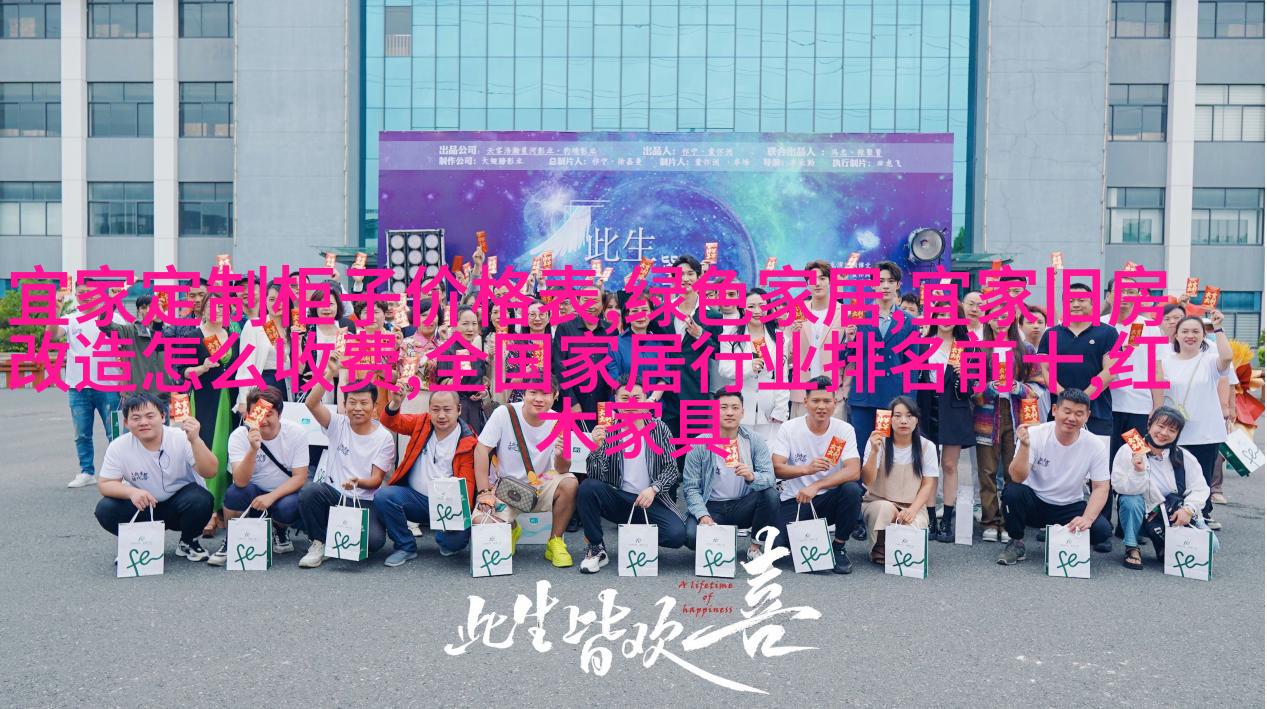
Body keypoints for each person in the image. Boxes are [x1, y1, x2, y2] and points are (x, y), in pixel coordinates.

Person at [577, 378, 687, 573]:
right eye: (625, 398)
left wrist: (653, 489)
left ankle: (636, 536)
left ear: (645, 400)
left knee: (677, 535)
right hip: (619, 498)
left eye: (637, 398)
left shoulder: (659, 429)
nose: (631, 403)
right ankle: (596, 548)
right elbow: (595, 476)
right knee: (587, 488)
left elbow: (671, 469)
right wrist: (596, 448)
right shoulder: (607, 430)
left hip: (651, 500)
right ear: (615, 401)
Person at [93, 392, 218, 562]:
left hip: (180, 505)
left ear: (163, 416)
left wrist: (196, 440)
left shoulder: (181, 437)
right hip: (143, 505)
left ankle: (188, 541)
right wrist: (132, 492)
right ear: (126, 422)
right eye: (136, 418)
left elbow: (210, 471)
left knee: (201, 499)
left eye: (150, 416)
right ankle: (139, 543)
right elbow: (105, 483)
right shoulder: (118, 446)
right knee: (106, 508)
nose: (143, 422)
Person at [296, 356, 395, 568]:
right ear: (344, 404)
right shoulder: (337, 423)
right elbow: (311, 403)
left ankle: (337, 534)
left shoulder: (384, 437)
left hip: (364, 500)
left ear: (374, 406)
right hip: (334, 493)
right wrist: (328, 374)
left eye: (364, 403)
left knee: (374, 541)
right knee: (310, 491)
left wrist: (357, 481)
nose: (358, 408)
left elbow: (376, 480)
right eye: (352, 402)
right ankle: (319, 542)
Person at [997, 389, 1112, 565]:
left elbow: (1101, 487)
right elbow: (1017, 477)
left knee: (1102, 530)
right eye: (1067, 411)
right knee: (1012, 492)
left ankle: (1066, 541)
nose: (1072, 418)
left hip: (1069, 506)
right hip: (1035, 502)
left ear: (1087, 416)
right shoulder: (1034, 434)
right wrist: (1025, 447)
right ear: (1054, 410)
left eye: (1079, 414)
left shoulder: (1095, 445)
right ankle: (1016, 542)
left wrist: (1087, 519)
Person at [472, 377, 576, 568]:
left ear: (555, 395)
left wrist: (562, 455)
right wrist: (484, 492)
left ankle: (555, 541)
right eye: (533, 392)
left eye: (545, 393)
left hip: (542, 483)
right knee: (481, 523)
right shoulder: (505, 413)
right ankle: (511, 528)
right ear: (524, 393)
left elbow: (562, 469)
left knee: (570, 482)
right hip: (506, 487)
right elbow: (481, 450)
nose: (538, 399)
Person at [771, 376, 864, 574]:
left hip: (829, 499)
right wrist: (807, 469)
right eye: (815, 401)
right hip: (796, 500)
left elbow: (854, 470)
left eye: (827, 401)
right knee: (777, 548)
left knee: (852, 490)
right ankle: (809, 539)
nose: (821, 406)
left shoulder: (844, 430)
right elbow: (777, 468)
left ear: (835, 402)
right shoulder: (789, 428)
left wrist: (817, 485)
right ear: (805, 402)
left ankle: (838, 546)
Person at [375, 387, 478, 566]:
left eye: (447, 409)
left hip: (448, 505)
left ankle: (445, 536)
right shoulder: (422, 423)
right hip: (415, 499)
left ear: (459, 409)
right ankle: (405, 546)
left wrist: (458, 515)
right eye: (435, 409)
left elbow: (467, 483)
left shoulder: (468, 440)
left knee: (453, 544)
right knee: (384, 496)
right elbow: (390, 421)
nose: (441, 415)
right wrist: (396, 403)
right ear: (429, 410)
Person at [207, 386, 308, 565]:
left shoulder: (296, 433)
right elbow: (240, 481)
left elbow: (300, 477)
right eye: (258, 414)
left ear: (279, 414)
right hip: (253, 493)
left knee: (288, 507)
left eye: (269, 414)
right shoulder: (239, 436)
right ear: (248, 415)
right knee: (234, 493)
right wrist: (253, 449)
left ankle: (280, 530)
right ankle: (233, 539)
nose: (263, 420)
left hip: (283, 493)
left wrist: (271, 497)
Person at [1111, 406, 1220, 570]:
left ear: (1178, 434)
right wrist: (1138, 472)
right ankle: (1132, 547)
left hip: (1172, 514)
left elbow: (1200, 488)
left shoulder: (1183, 456)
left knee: (1212, 545)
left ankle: (1163, 545)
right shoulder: (1130, 449)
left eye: (1172, 430)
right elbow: (1120, 487)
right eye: (1160, 426)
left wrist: (1188, 509)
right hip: (1142, 514)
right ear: (1149, 425)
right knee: (1130, 500)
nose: (1164, 433)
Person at [681, 390, 780, 562]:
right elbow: (691, 488)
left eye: (735, 408)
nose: (729, 412)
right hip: (711, 506)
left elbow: (769, 478)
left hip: (742, 505)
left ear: (742, 412)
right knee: (690, 536)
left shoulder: (754, 440)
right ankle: (720, 540)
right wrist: (703, 515)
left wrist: (751, 477)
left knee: (771, 495)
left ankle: (755, 547)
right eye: (723, 407)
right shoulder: (698, 444)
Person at [1158, 312, 1233, 530]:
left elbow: (1227, 358)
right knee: (1175, 477)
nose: (1190, 336)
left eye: (1195, 331)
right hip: (1174, 431)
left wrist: (1218, 328)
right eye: (1185, 331)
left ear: (1203, 336)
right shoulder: (1165, 361)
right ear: (1176, 335)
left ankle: (1203, 514)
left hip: (1205, 431)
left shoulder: (1209, 360)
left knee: (1202, 476)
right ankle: (1175, 514)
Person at [48, 283, 124, 488]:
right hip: (78, 387)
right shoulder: (70, 318)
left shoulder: (114, 318)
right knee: (81, 433)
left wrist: (125, 379)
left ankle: (120, 472)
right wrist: (54, 311)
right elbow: (52, 335)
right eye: (81, 292)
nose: (85, 296)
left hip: (109, 385)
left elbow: (126, 349)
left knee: (115, 432)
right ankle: (86, 472)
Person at [916, 305, 975, 542]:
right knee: (929, 464)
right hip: (927, 406)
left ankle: (947, 520)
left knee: (950, 465)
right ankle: (930, 518)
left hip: (954, 407)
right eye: (940, 314)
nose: (945, 319)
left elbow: (973, 388)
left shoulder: (967, 346)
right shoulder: (923, 344)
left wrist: (965, 374)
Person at [859, 396, 938, 564]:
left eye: (909, 416)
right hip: (877, 501)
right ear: (889, 419)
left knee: (912, 527)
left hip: (912, 505)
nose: (903, 421)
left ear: (917, 420)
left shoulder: (927, 447)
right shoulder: (878, 442)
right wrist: (874, 452)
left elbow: (928, 484)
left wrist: (913, 510)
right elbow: (867, 480)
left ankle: (898, 552)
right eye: (897, 416)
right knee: (884, 509)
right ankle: (881, 549)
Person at [847, 260, 916, 449]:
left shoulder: (909, 321)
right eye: (880, 281)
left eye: (890, 281)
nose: (885, 286)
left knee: (884, 449)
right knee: (860, 448)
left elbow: (911, 366)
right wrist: (850, 340)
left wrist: (908, 403)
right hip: (863, 396)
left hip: (891, 397)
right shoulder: (858, 316)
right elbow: (846, 356)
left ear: (898, 285)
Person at [656, 254, 723, 437]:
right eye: (680, 275)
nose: (685, 279)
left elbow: (718, 353)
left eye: (690, 273)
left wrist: (700, 335)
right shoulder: (662, 314)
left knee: (695, 450)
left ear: (699, 277)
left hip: (696, 396)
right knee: (669, 450)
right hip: (668, 398)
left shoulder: (713, 316)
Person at [718, 288, 789, 440]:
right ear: (743, 309)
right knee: (740, 450)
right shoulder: (730, 336)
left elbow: (782, 377)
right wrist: (748, 367)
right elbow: (724, 369)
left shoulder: (780, 338)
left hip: (769, 408)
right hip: (740, 406)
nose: (757, 311)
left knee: (767, 451)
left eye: (762, 306)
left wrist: (781, 409)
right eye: (751, 306)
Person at [785, 260, 849, 419]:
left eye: (822, 278)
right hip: (802, 394)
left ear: (830, 281)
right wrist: (792, 335)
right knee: (799, 435)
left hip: (834, 394)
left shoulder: (844, 313)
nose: (817, 283)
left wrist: (845, 391)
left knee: (835, 435)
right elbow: (784, 354)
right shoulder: (797, 311)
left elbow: (852, 356)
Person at [233, 281, 292, 410]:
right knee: (259, 421)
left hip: (283, 386)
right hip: (262, 385)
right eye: (272, 299)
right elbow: (246, 365)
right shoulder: (255, 325)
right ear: (264, 301)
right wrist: (243, 400)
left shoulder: (288, 329)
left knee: (280, 422)